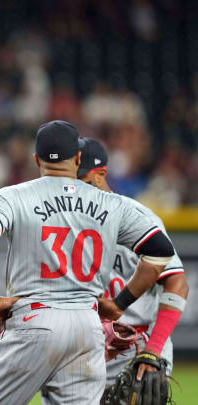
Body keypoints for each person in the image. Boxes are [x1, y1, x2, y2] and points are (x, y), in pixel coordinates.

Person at [0, 120, 177, 404]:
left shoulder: (13, 196)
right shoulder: (111, 203)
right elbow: (161, 251)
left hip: (34, 320)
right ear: (77, 158)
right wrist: (120, 303)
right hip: (87, 327)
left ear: (36, 159)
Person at [75, 137, 189, 393]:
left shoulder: (137, 219)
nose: (74, 188)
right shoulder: (63, 220)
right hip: (79, 349)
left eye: (81, 180)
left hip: (134, 347)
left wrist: (153, 349)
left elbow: (177, 283)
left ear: (100, 174)